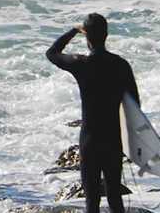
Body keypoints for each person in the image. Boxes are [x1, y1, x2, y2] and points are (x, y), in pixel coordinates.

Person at [46, 13, 140, 213]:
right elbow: (135, 106)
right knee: (115, 197)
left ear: (86, 36)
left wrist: (73, 30)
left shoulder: (81, 63)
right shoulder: (120, 65)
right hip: (113, 139)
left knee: (92, 200)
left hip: (90, 140)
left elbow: (52, 53)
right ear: (106, 34)